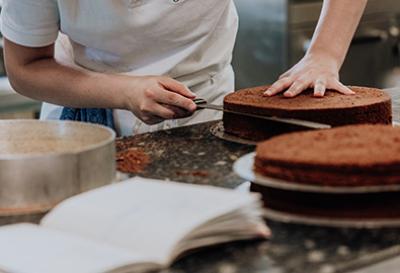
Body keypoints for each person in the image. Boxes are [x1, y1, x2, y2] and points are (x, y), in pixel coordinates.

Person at [1, 0, 366, 136]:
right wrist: (123, 92)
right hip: (85, 116)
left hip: (203, 116)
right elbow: (26, 66)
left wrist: (325, 54)